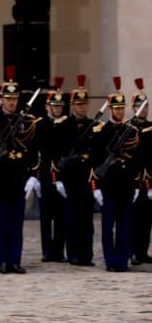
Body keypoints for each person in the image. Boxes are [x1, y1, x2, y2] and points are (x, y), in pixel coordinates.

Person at [0, 70, 41, 274]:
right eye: (8, 99)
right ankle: (4, 260)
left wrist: (33, 176)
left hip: (19, 179)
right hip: (0, 180)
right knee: (2, 223)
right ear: (2, 100)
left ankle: (15, 260)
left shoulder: (27, 122)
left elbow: (33, 152)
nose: (12, 103)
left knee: (17, 224)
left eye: (14, 99)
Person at [90, 78, 141, 272]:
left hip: (126, 186)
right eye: (116, 108)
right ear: (110, 109)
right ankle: (111, 261)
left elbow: (137, 161)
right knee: (108, 227)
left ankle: (122, 260)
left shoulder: (131, 131)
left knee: (124, 227)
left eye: (122, 108)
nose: (119, 112)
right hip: (108, 187)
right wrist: (95, 187)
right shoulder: (100, 131)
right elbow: (94, 162)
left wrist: (136, 185)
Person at [52, 75, 98, 267]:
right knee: (71, 219)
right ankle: (73, 254)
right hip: (70, 178)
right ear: (72, 105)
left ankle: (86, 254)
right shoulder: (63, 126)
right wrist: (58, 179)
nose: (82, 107)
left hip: (87, 178)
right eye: (78, 104)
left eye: (84, 104)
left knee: (87, 220)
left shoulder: (94, 126)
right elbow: (57, 154)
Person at [36, 78, 67, 262]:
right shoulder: (41, 125)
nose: (57, 109)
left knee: (61, 215)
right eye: (54, 106)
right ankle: (47, 251)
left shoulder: (66, 124)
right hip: (46, 174)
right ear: (47, 106)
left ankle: (59, 251)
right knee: (46, 217)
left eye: (60, 106)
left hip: (63, 174)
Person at [131, 79, 152, 265]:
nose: (143, 110)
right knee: (132, 218)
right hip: (131, 180)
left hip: (148, 180)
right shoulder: (128, 127)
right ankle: (131, 251)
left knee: (146, 219)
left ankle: (143, 252)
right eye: (140, 106)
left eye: (146, 106)